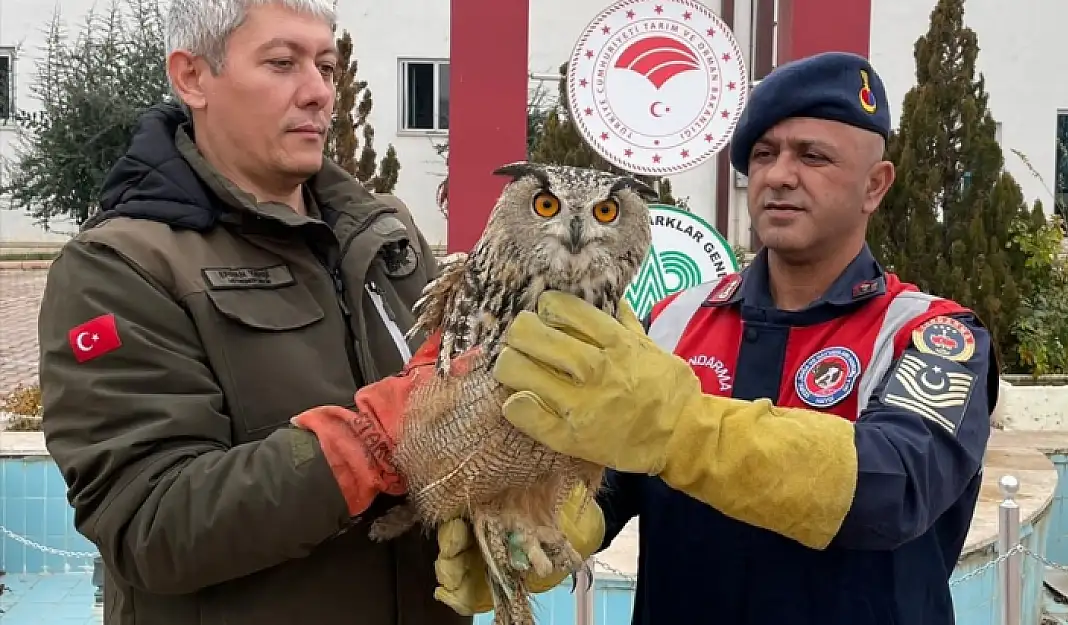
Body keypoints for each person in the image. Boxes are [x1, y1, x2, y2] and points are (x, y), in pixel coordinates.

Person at [36, 1, 597, 624]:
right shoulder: (122, 267)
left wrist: (524, 498)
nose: (318, 94)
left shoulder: (387, 234)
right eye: (282, 63)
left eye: (327, 67)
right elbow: (150, 524)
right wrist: (366, 443)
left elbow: (459, 432)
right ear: (192, 76)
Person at [433, 52, 1001, 624]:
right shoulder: (676, 318)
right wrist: (539, 528)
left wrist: (682, 430)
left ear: (874, 186)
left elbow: (893, 485)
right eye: (762, 155)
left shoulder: (931, 334)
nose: (779, 174)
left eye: (812, 155)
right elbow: (611, 477)